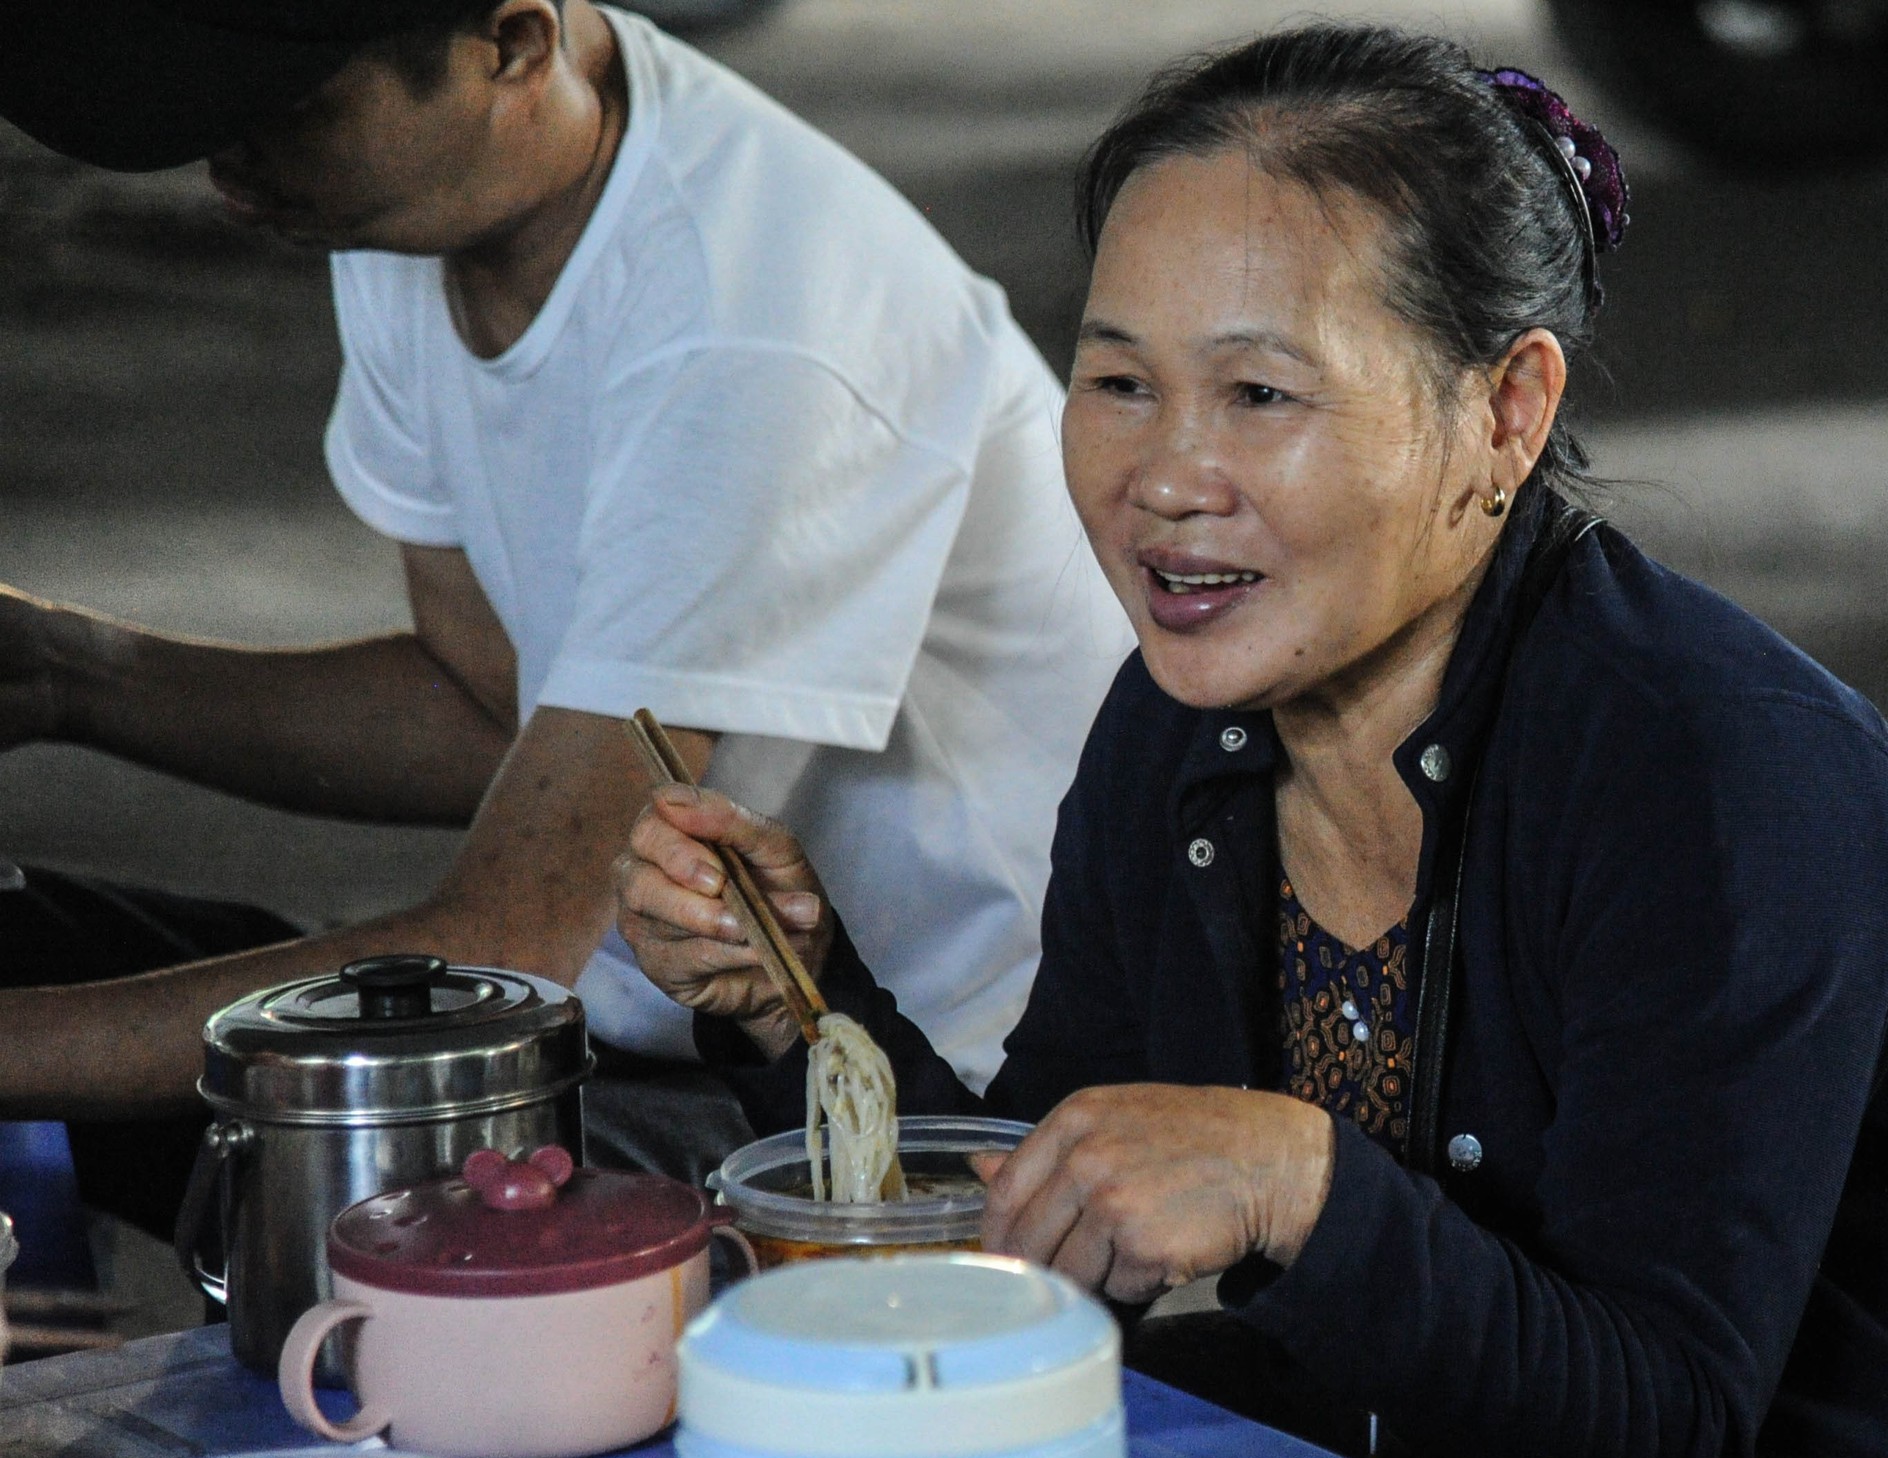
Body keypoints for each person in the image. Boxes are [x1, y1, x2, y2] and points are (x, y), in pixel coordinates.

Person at [613, 25, 1888, 1458]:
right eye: (1115, 379)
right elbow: (1066, 1224)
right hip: (1549, 1441)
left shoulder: (1709, 766)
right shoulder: (1182, 728)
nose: (1166, 474)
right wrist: (802, 1006)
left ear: (1504, 413)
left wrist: (1306, 1184)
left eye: (1261, 392)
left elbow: (1655, 1423)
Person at [0, 0, 1129, 1237]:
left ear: (515, 47)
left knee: (346, 1210)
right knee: (28, 941)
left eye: (285, 117)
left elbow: (512, 935)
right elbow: (492, 710)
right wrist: (67, 670)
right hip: (631, 998)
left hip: (893, 1088)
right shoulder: (408, 210)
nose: (228, 173)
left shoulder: (751, 334)